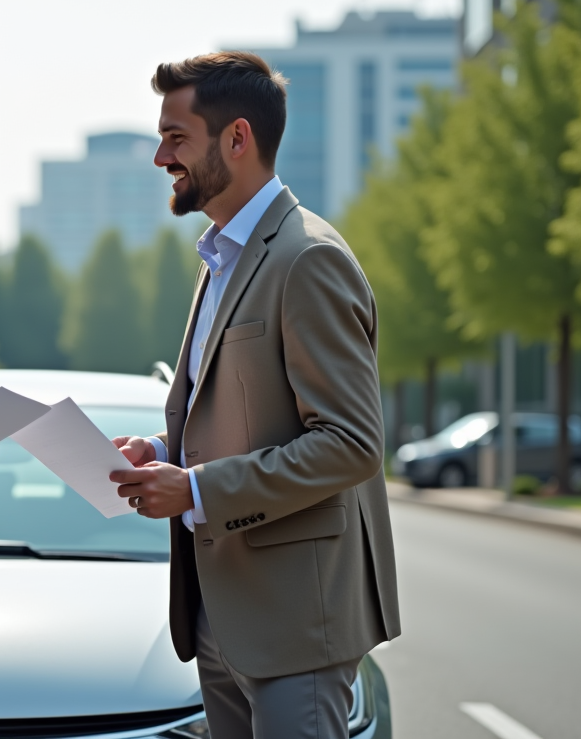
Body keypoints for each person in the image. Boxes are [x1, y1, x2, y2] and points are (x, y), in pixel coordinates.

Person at [109, 52, 400, 739]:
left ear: (236, 139)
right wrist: (163, 450)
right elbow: (249, 412)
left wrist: (196, 490)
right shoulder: (224, 257)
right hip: (224, 613)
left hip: (295, 624)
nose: (160, 157)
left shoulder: (309, 259)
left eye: (175, 137)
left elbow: (351, 444)